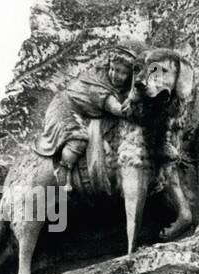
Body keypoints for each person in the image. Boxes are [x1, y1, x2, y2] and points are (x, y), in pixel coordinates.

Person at [34, 45, 139, 189]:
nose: (115, 75)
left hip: (88, 112)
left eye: (122, 72)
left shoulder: (119, 86)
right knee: (78, 139)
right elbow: (117, 109)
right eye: (113, 69)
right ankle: (63, 171)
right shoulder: (98, 84)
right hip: (65, 107)